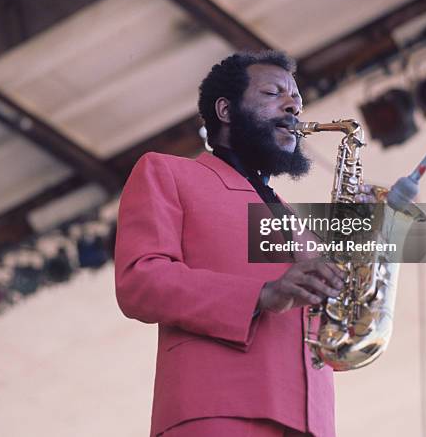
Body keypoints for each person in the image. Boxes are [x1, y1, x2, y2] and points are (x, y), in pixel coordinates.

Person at [115, 51, 348, 437]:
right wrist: (261, 293)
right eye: (274, 93)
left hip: (311, 423)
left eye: (298, 101)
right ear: (225, 110)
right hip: (217, 412)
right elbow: (140, 282)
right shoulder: (167, 171)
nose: (293, 106)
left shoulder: (296, 221)